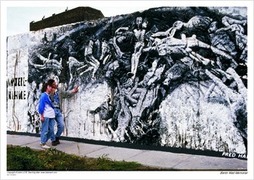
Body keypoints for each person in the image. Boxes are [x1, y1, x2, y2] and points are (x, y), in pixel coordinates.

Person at [50, 80, 79, 145]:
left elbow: (66, 94)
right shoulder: (48, 92)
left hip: (58, 110)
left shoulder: (59, 91)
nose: (56, 84)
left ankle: (57, 137)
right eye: (54, 83)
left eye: (56, 83)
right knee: (51, 127)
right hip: (51, 111)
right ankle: (53, 140)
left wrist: (73, 91)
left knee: (62, 126)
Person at [38, 79, 56, 149]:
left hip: (51, 115)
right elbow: (41, 106)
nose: (51, 88)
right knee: (45, 130)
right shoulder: (43, 95)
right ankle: (43, 143)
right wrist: (42, 115)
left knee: (51, 130)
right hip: (46, 115)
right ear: (47, 87)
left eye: (52, 87)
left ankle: (43, 140)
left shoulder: (49, 95)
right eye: (50, 87)